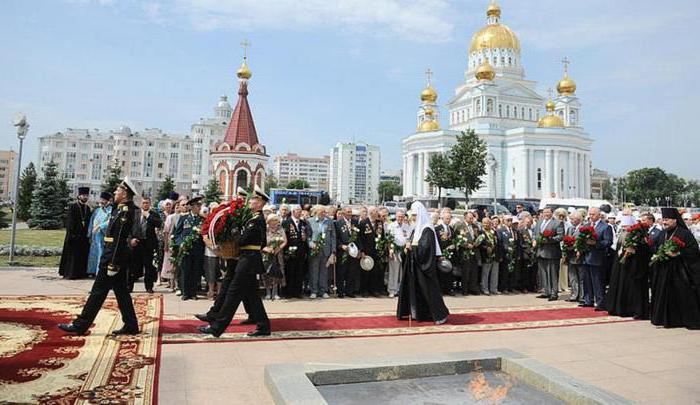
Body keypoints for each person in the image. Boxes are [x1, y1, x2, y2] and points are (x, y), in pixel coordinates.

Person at [58, 178, 140, 335]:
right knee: (121, 292)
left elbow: (119, 239)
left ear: (124, 194)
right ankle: (131, 325)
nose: (115, 192)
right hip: (113, 256)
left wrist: (113, 263)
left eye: (118, 190)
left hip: (112, 258)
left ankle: (80, 325)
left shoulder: (125, 211)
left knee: (97, 292)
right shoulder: (120, 208)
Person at [198, 186, 271, 338]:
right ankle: (263, 326)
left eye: (254, 199)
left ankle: (217, 327)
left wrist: (234, 234)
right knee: (253, 296)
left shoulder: (256, 220)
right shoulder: (252, 218)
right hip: (247, 258)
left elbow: (244, 240)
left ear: (260, 203)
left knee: (234, 293)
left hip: (248, 260)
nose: (250, 201)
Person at [396, 202, 449, 324]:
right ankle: (419, 312)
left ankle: (439, 314)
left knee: (429, 291)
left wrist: (412, 248)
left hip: (425, 268)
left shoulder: (427, 230)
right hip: (415, 267)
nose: (412, 218)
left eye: (414, 215)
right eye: (412, 215)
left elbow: (425, 249)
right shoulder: (416, 230)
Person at [650, 207, 700, 329]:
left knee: (682, 295)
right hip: (664, 270)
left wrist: (678, 254)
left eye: (667, 219)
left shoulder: (685, 234)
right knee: (664, 295)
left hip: (680, 271)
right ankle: (665, 319)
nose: (664, 222)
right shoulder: (663, 234)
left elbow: (694, 251)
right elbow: (656, 248)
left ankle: (683, 320)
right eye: (663, 219)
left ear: (675, 220)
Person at [604, 214, 651, 319]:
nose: (624, 230)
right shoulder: (622, 236)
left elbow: (645, 251)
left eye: (626, 227)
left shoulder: (640, 236)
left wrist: (634, 251)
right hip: (621, 267)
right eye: (623, 227)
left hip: (633, 267)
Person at [580, 207, 613, 310]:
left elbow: (608, 242)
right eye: (590, 214)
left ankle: (600, 302)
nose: (591, 216)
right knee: (586, 280)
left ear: (599, 215)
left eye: (593, 214)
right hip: (586, 256)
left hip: (597, 257)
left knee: (597, 281)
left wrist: (596, 243)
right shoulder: (586, 226)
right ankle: (588, 300)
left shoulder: (605, 227)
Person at [173, 196, 205, 300]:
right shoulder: (184, 218)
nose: (199, 207)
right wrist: (180, 243)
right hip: (186, 249)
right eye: (197, 205)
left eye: (200, 205)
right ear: (191, 207)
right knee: (185, 270)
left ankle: (193, 292)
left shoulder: (202, 219)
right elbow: (177, 234)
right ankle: (185, 292)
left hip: (197, 249)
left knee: (195, 271)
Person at [129, 196, 163, 293]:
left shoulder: (153, 214)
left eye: (147, 203)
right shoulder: (135, 213)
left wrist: (148, 216)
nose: (145, 204)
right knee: (133, 266)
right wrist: (131, 239)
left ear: (150, 204)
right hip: (136, 243)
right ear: (140, 203)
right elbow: (129, 228)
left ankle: (149, 287)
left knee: (148, 267)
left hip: (148, 244)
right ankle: (129, 286)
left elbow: (159, 224)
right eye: (143, 203)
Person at [59, 186, 92, 280]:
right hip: (73, 235)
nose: (85, 197)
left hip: (84, 236)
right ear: (79, 196)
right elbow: (69, 222)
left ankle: (81, 273)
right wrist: (73, 234)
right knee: (73, 255)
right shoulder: (73, 207)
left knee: (82, 255)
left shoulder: (87, 208)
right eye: (83, 195)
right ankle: (70, 274)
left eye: (86, 195)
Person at [533, 207, 565, 301]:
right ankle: (546, 291)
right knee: (543, 273)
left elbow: (560, 236)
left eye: (548, 212)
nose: (546, 214)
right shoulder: (539, 222)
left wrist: (549, 239)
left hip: (552, 252)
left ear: (551, 213)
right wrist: (535, 240)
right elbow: (535, 234)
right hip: (541, 251)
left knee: (553, 273)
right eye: (544, 212)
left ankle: (554, 293)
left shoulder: (558, 223)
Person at [307, 205, 337, 299]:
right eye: (322, 212)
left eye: (325, 212)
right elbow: (308, 235)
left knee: (324, 271)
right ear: (316, 212)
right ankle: (314, 291)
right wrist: (310, 243)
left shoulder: (329, 221)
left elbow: (333, 236)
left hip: (326, 250)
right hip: (314, 250)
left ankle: (323, 290)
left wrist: (333, 250)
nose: (324, 213)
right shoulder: (310, 221)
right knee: (314, 271)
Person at [282, 205, 309, 298]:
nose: (300, 212)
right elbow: (284, 237)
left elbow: (306, 235)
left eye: (300, 211)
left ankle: (297, 292)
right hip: (290, 251)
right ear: (293, 211)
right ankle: (288, 292)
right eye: (298, 211)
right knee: (290, 272)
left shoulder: (303, 223)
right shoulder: (286, 222)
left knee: (299, 272)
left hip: (301, 251)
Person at [358, 206, 385, 297]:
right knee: (366, 271)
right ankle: (364, 290)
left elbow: (383, 236)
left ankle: (374, 290)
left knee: (376, 272)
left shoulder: (379, 223)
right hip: (366, 251)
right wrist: (361, 250)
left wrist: (382, 248)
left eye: (377, 211)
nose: (377, 213)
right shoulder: (363, 222)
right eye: (375, 211)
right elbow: (359, 238)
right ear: (370, 213)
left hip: (377, 251)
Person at [335, 206, 360, 298]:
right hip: (343, 250)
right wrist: (341, 245)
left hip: (354, 250)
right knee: (341, 271)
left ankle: (350, 291)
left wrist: (360, 250)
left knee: (352, 271)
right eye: (348, 212)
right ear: (343, 213)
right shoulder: (338, 223)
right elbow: (336, 238)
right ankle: (340, 291)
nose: (350, 213)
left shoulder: (355, 222)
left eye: (351, 212)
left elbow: (359, 237)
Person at [86, 191, 112, 276]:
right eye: (101, 199)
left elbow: (110, 221)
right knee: (93, 253)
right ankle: (92, 271)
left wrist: (100, 226)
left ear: (108, 201)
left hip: (102, 235)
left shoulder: (111, 210)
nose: (101, 201)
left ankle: (99, 272)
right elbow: (91, 221)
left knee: (101, 253)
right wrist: (89, 233)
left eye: (103, 200)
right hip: (94, 235)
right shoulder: (97, 210)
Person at [262, 214, 287, 300]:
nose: (273, 223)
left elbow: (284, 241)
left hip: (277, 254)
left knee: (276, 273)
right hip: (266, 254)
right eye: (272, 221)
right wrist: (267, 249)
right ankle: (268, 292)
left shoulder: (280, 229)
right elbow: (261, 242)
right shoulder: (265, 230)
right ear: (268, 222)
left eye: (275, 221)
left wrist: (278, 249)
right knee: (266, 273)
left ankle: (275, 292)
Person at [387, 209, 411, 298]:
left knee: (402, 271)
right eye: (398, 216)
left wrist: (406, 247)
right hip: (394, 251)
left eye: (402, 216)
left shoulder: (406, 226)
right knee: (393, 271)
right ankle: (392, 290)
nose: (400, 218)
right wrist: (390, 250)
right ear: (396, 217)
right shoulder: (391, 226)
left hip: (404, 251)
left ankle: (400, 290)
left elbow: (408, 239)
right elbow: (388, 239)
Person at [161, 199, 184, 292]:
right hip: (171, 242)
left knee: (178, 264)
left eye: (180, 206)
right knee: (171, 263)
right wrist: (166, 244)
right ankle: (171, 283)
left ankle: (178, 284)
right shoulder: (171, 217)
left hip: (180, 243)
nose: (178, 208)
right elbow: (166, 232)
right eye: (176, 206)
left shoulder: (183, 217)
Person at [434, 208, 455, 296]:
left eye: (449, 218)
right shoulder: (438, 229)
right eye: (446, 218)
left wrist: (454, 245)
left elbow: (454, 239)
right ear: (442, 218)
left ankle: (448, 289)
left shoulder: (451, 228)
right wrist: (439, 254)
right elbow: (436, 242)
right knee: (440, 272)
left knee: (449, 272)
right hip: (441, 254)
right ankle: (440, 290)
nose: (448, 220)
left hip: (450, 254)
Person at [478, 217, 500, 295]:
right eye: (485, 223)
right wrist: (486, 248)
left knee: (495, 273)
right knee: (485, 273)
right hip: (486, 255)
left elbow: (498, 243)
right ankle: (485, 288)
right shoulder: (480, 232)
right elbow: (479, 245)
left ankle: (494, 288)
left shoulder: (493, 232)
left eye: (488, 223)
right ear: (482, 223)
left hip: (495, 255)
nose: (486, 224)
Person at [564, 211, 583, 302]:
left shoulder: (583, 228)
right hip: (570, 255)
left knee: (581, 277)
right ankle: (574, 295)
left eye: (573, 219)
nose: (571, 221)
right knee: (572, 277)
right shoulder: (570, 229)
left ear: (578, 219)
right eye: (570, 219)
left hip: (579, 256)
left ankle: (582, 296)